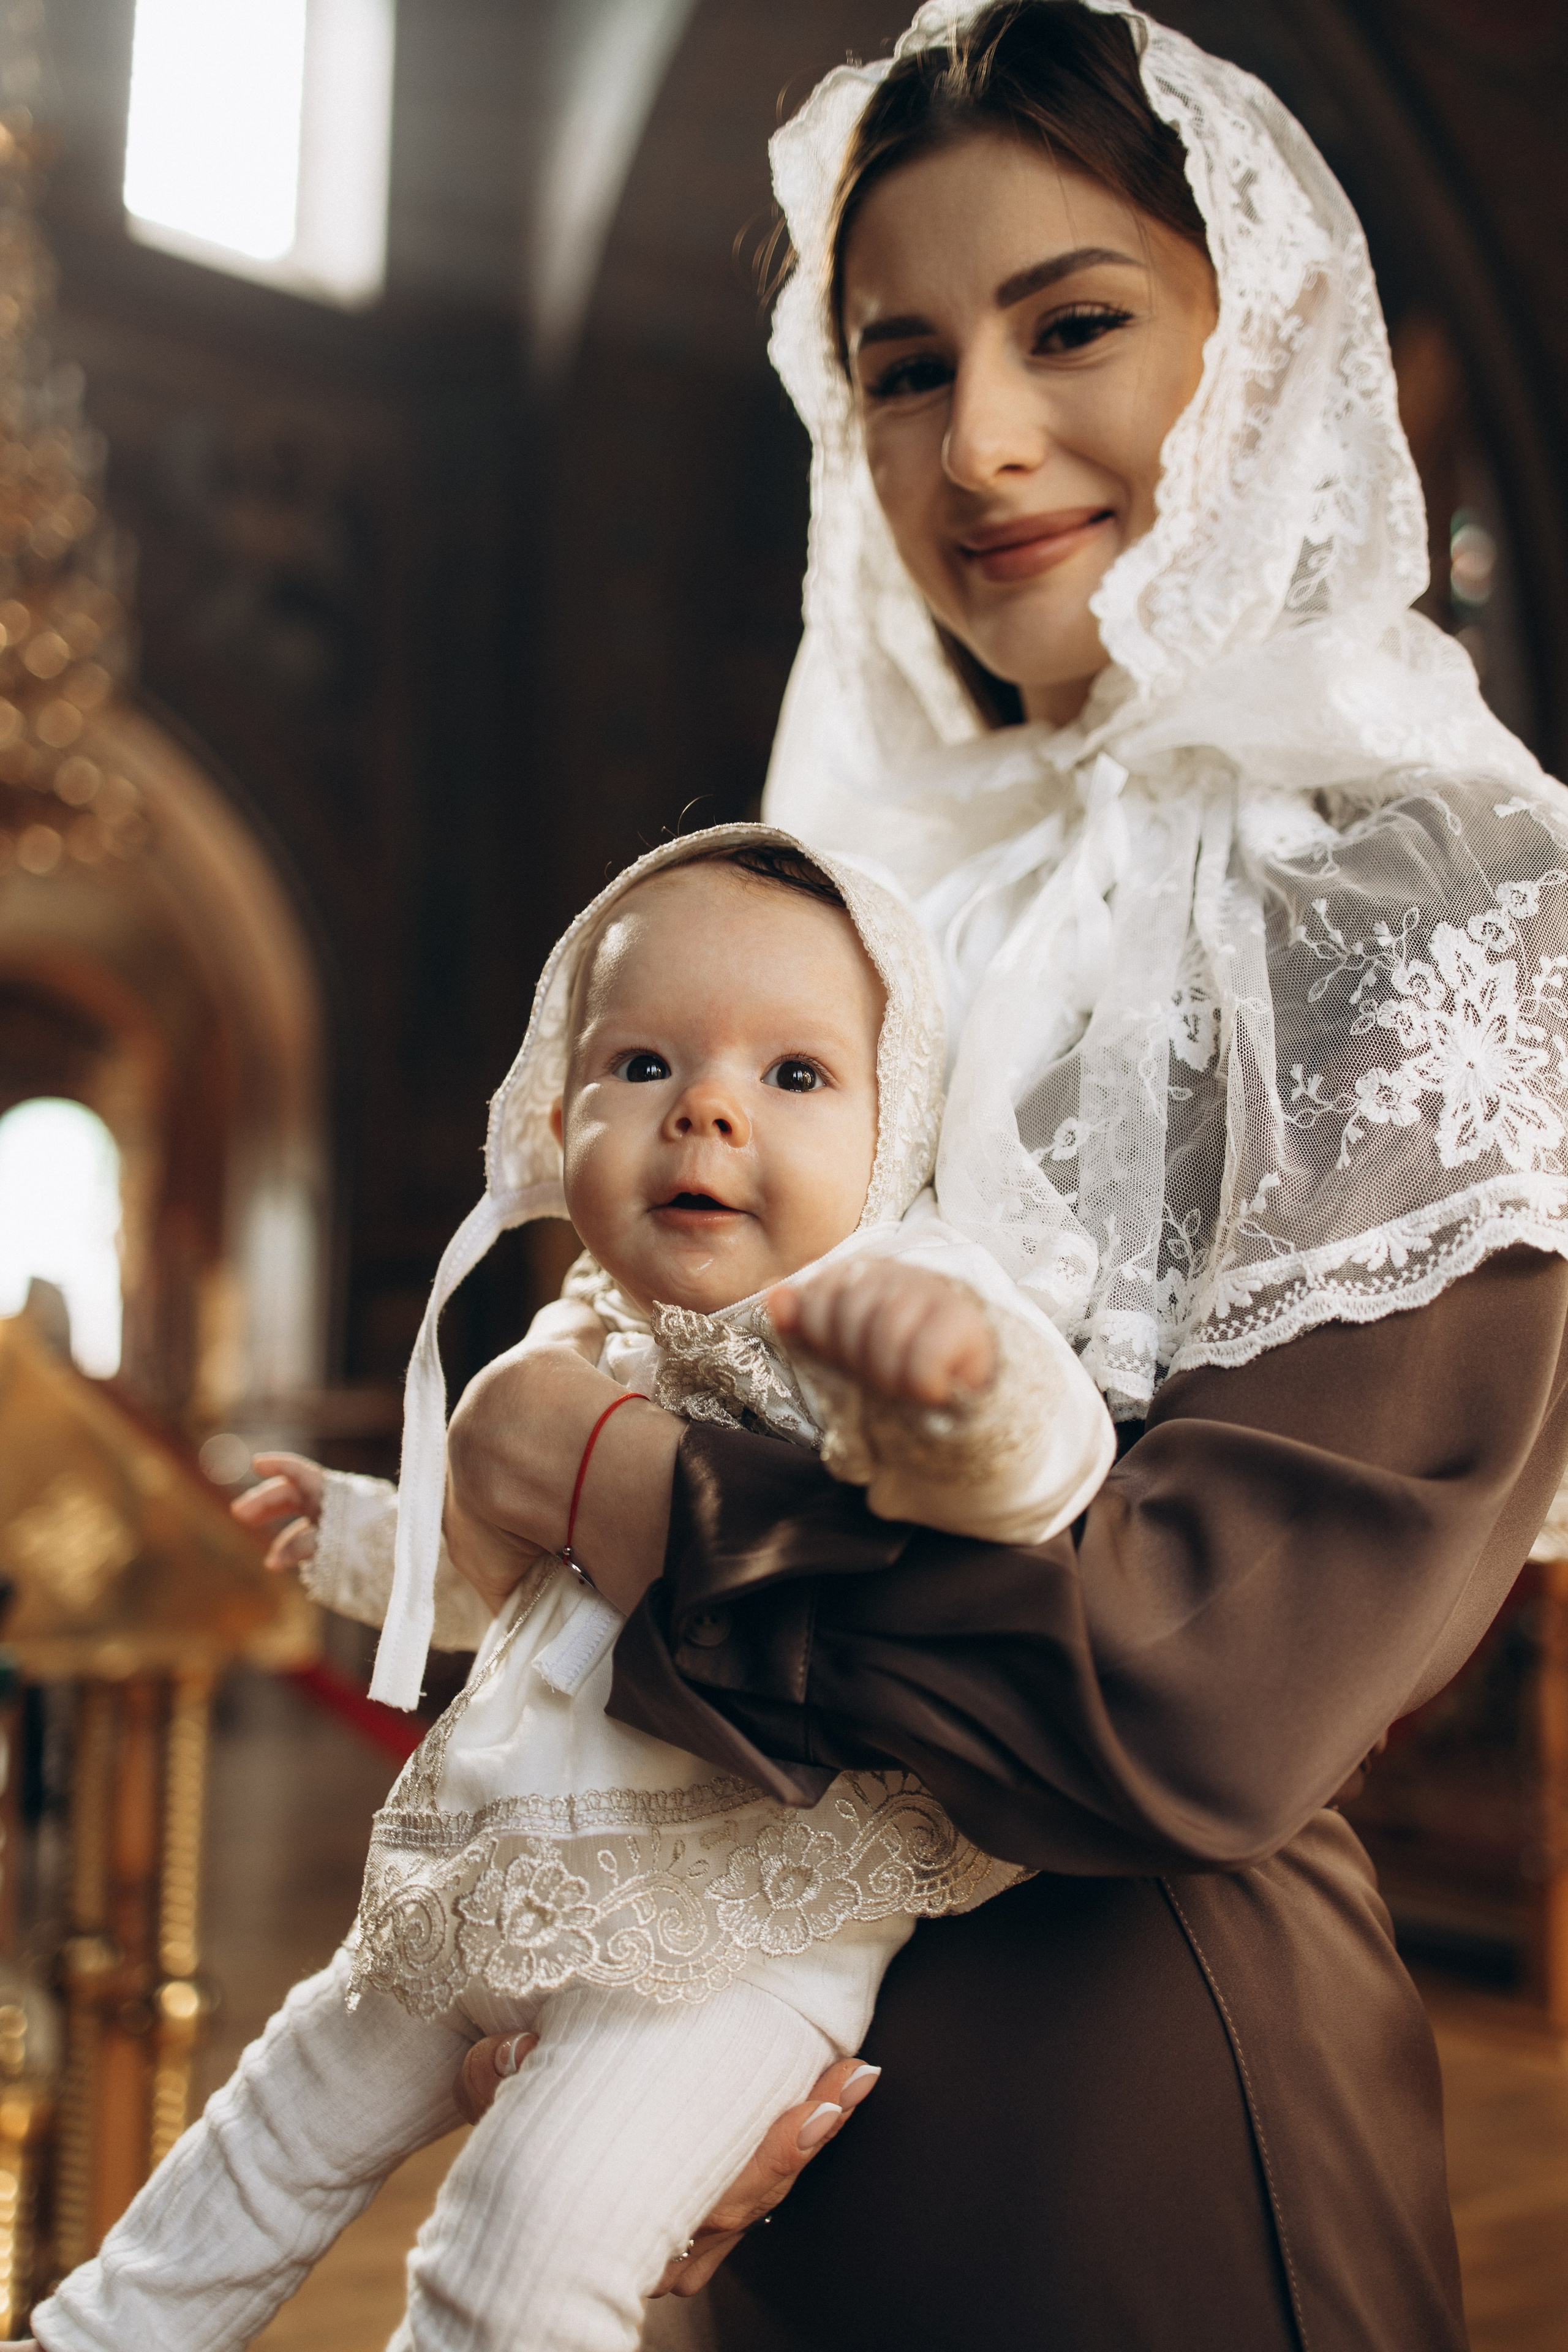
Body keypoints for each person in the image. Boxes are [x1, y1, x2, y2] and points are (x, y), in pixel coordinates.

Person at [437, 6, 1568, 2348]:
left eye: (1074, 327)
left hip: (1139, 2124)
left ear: (1257, 346)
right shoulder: (890, 911)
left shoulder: (1432, 894)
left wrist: (618, 1491)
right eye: (901, 367)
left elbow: (1196, 1693)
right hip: (773, 2111)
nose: (984, 444)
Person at [20, 827, 1114, 2352]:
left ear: (898, 1123)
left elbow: (1034, 1480)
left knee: (521, 2255)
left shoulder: (884, 1297)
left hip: (725, 1941)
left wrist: (963, 1395)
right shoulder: (585, 1334)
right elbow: (506, 1580)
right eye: (646, 1064)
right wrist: (355, 1534)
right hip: (485, 1877)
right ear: (558, 1112)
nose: (710, 1109)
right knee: (260, 2134)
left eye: (793, 1077)